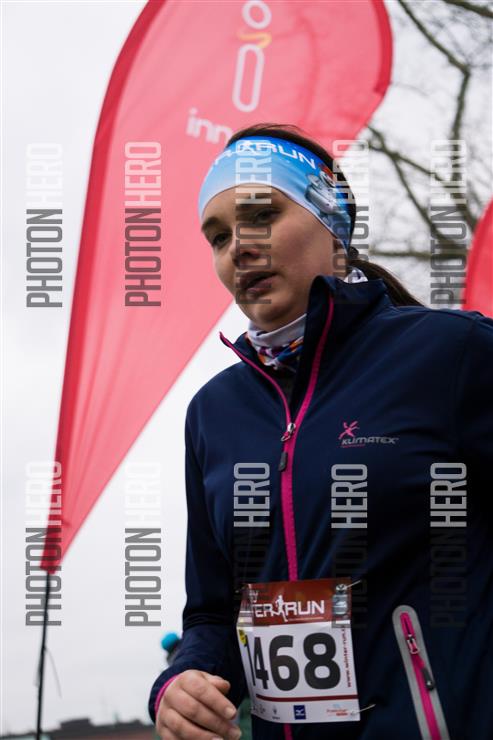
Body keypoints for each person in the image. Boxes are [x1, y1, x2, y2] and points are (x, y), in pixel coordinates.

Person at [148, 123, 493, 739]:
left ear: (331, 221)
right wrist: (180, 684)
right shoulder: (212, 414)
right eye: (219, 236)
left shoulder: (453, 354)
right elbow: (212, 614)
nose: (238, 249)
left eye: (262, 216)